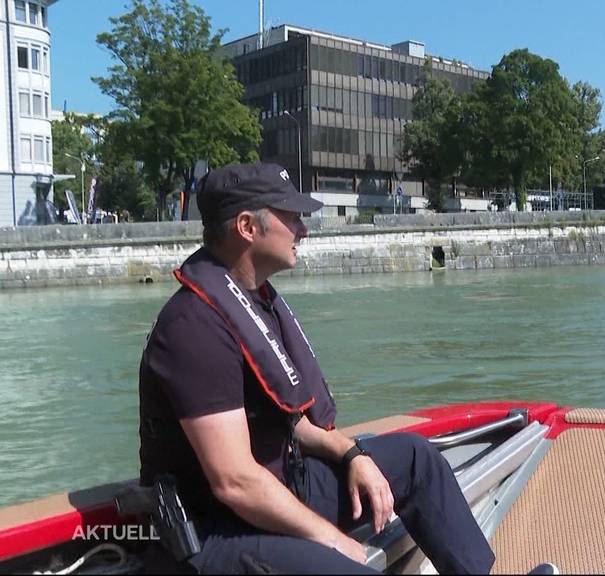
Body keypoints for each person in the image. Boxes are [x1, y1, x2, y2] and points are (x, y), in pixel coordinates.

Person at [138, 162, 495, 574]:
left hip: (283, 487)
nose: (303, 229)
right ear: (247, 227)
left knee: (417, 459)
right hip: (217, 531)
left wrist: (353, 454)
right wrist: (329, 537)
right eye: (290, 217)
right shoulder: (194, 327)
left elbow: (294, 424)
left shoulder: (254, 302)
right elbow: (233, 482)